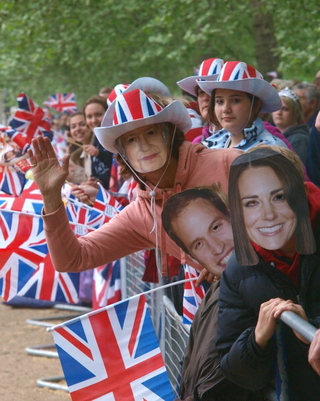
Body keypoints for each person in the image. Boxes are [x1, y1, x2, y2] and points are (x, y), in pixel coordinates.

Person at [28, 87, 242, 281]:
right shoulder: (142, 214)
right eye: (131, 140)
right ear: (122, 153)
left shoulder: (230, 164)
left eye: (150, 132)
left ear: (168, 134)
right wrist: (51, 196)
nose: (143, 145)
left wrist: (233, 264)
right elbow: (72, 259)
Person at [216, 148, 320, 400]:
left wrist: (310, 329)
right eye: (251, 202)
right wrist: (257, 339)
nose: (268, 215)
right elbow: (236, 373)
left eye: (279, 197)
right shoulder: (238, 269)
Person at [162, 187, 258, 401]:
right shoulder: (211, 300)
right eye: (198, 244)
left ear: (235, 217)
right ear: (192, 258)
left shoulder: (266, 281)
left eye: (216, 227)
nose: (216, 248)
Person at [198, 61, 288, 151]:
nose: (225, 109)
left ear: (256, 105)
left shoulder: (271, 149)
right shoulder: (209, 146)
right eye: (220, 101)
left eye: (235, 100)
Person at [71, 96, 114, 203]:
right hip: (105, 198)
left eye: (98, 115)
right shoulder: (96, 140)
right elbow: (100, 172)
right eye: (89, 117)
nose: (94, 120)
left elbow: (116, 164)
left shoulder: (116, 138)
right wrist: (94, 181)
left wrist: (99, 153)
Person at [177, 58, 225, 143]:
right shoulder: (197, 143)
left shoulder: (248, 139)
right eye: (201, 92)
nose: (206, 98)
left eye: (211, 92)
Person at [272, 87, 309, 164]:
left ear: (295, 113)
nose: (279, 112)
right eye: (276, 108)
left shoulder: (299, 140)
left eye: (285, 109)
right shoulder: (269, 135)